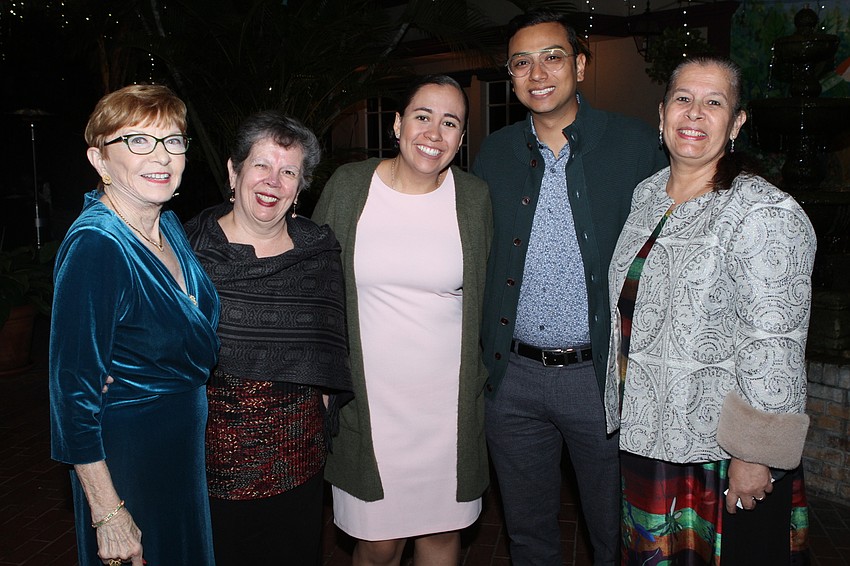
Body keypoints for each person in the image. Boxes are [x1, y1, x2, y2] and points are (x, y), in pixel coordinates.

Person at [471, 9, 668, 566]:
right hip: (513, 382)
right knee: (528, 533)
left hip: (600, 380)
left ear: (579, 65)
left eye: (552, 56)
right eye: (521, 63)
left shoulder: (634, 145)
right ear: (510, 77)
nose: (538, 73)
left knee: (615, 532)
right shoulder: (494, 154)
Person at [604, 55, 814, 565]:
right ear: (661, 114)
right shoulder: (647, 195)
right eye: (683, 99)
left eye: (713, 102)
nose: (694, 113)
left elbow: (774, 346)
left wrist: (755, 454)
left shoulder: (761, 210)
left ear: (737, 122)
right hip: (649, 435)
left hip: (718, 454)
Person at [312, 74, 491, 566]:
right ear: (397, 124)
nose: (435, 132)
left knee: (440, 540)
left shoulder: (474, 199)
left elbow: (492, 296)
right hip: (369, 408)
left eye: (450, 122)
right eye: (422, 116)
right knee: (377, 545)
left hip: (446, 412)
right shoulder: (350, 187)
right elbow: (315, 285)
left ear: (461, 137)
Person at [49, 84, 220, 566]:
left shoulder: (166, 224)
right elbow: (71, 395)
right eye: (139, 140)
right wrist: (108, 512)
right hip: (128, 459)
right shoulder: (97, 245)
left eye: (172, 140)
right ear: (100, 160)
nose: (161, 155)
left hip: (177, 454)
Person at [184, 110, 352, 565]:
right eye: (261, 165)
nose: (273, 181)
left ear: (300, 188)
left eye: (289, 171)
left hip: (298, 463)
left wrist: (317, 409)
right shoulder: (186, 252)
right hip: (210, 466)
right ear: (233, 171)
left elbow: (331, 349)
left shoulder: (318, 252)